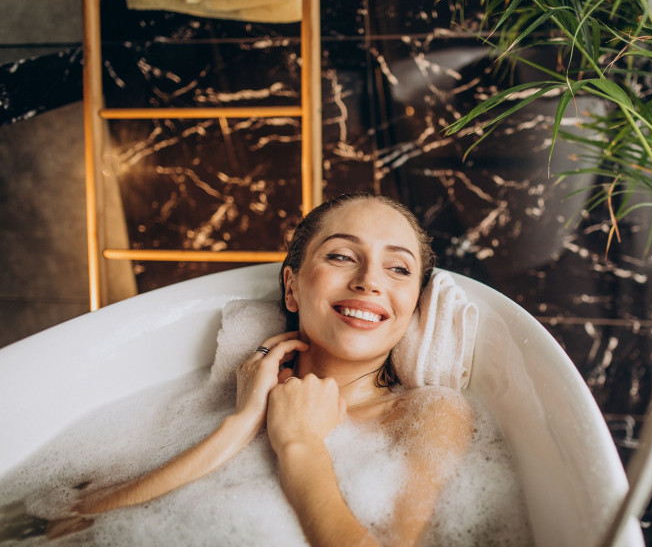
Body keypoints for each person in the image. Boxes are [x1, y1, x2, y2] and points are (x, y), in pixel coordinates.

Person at [75, 193, 475, 547]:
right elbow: (68, 524)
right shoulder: (217, 400)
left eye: (399, 269)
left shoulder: (427, 414)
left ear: (415, 305)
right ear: (292, 286)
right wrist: (242, 422)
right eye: (341, 256)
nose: (369, 280)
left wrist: (299, 444)